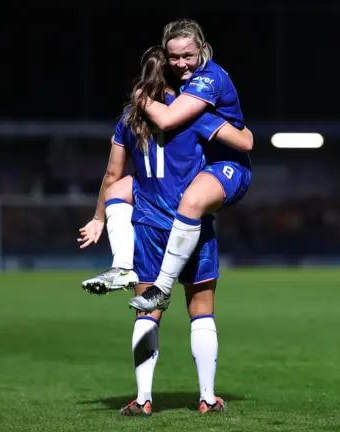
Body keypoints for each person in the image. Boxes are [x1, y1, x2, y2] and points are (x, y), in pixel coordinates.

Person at [78, 46, 252, 415]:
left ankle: (143, 399)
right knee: (201, 310)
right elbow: (242, 142)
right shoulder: (195, 115)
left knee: (147, 314)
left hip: (148, 225)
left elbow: (113, 178)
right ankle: (207, 397)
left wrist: (98, 218)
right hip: (190, 227)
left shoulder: (129, 117)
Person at [128, 19, 253, 312]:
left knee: (191, 202)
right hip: (201, 168)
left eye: (188, 56)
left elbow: (168, 120)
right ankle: (120, 264)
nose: (182, 63)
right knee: (120, 189)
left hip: (227, 166)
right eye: (174, 57)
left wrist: (139, 97)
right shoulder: (180, 87)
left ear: (204, 50)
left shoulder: (207, 80)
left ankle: (162, 286)